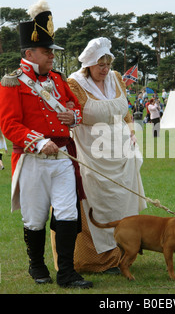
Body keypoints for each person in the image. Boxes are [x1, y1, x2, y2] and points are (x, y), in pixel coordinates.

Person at [0, 0, 92, 289]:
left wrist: (71, 116)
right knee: (35, 218)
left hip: (62, 158)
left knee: (68, 213)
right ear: (29, 52)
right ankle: (36, 265)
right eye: (46, 51)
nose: (51, 55)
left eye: (51, 50)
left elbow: (77, 110)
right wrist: (38, 142)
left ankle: (67, 273)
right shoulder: (10, 84)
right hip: (32, 160)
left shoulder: (59, 81)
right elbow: (10, 125)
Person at [60, 37, 147, 274]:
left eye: (108, 65)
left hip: (121, 152)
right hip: (91, 151)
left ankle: (124, 253)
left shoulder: (117, 78)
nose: (105, 70)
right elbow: (69, 114)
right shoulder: (74, 84)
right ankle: (98, 260)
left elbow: (125, 111)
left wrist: (130, 129)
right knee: (96, 201)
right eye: (100, 66)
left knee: (122, 202)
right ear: (88, 64)